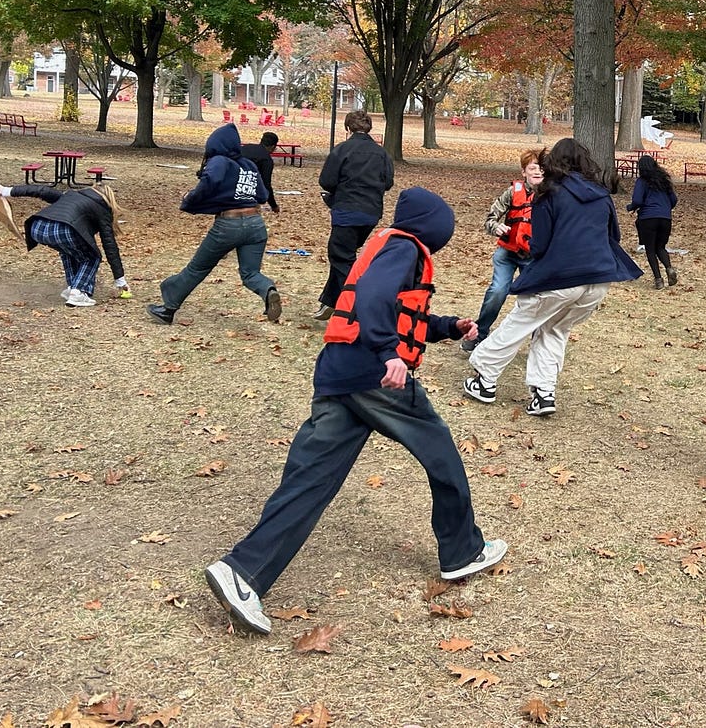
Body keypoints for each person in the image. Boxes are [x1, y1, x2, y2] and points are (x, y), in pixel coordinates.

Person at [204, 188, 507, 636]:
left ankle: (242, 571)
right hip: (374, 376)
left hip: (339, 373)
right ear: (430, 226)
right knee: (441, 453)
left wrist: (447, 327)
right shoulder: (404, 247)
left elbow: (394, 310)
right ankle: (462, 551)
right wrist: (389, 354)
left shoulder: (389, 248)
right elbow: (372, 298)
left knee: (312, 478)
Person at [462, 138, 642, 417]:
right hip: (598, 280)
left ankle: (484, 379)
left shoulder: (549, 194)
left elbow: (539, 244)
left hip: (561, 277)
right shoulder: (601, 194)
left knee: (519, 323)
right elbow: (613, 236)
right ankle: (544, 394)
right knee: (555, 329)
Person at [147, 122, 280, 325]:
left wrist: (190, 198)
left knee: (197, 269)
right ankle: (268, 290)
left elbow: (210, 181)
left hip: (229, 225)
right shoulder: (249, 165)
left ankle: (168, 309)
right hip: (256, 224)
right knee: (250, 273)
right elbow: (262, 195)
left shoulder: (219, 161)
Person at [461, 149, 544, 353]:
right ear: (524, 172)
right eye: (532, 168)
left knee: (536, 298)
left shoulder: (551, 195)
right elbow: (490, 219)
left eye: (541, 169)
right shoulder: (512, 192)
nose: (537, 172)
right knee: (498, 290)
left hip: (534, 257)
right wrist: (496, 227)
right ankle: (479, 333)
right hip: (507, 253)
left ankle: (540, 343)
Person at [314, 109, 394, 322]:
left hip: (347, 211)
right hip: (371, 212)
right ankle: (330, 302)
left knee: (341, 256)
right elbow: (388, 182)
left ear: (348, 128)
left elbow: (327, 181)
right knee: (344, 253)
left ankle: (358, 307)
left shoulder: (342, 150)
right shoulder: (382, 153)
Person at [0, 180, 129, 306]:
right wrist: (120, 279)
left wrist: (8, 190)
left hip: (38, 227)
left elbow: (41, 190)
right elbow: (110, 246)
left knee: (68, 251)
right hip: (64, 229)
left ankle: (72, 287)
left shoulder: (70, 195)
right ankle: (77, 292)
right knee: (92, 258)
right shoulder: (103, 208)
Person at [627, 154, 679, 290]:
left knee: (650, 249)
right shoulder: (664, 181)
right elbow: (674, 200)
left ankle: (658, 279)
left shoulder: (642, 181)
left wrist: (631, 207)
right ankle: (669, 268)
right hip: (665, 218)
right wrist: (665, 209)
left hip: (648, 218)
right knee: (660, 247)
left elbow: (637, 200)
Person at [240, 131, 282, 214]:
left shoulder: (246, 147)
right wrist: (273, 205)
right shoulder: (266, 159)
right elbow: (266, 184)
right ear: (273, 146)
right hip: (248, 192)